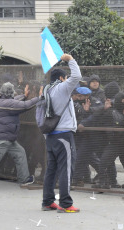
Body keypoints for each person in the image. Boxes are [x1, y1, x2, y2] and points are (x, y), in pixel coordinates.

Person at [41, 54, 81, 213]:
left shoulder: (46, 90)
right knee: (66, 169)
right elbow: (77, 76)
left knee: (51, 170)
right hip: (64, 135)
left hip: (50, 136)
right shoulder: (62, 88)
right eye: (66, 78)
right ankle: (65, 203)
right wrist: (70, 59)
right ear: (62, 78)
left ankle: (48, 201)